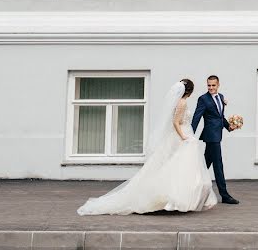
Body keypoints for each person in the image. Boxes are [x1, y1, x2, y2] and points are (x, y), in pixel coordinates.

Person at [77, 79, 217, 215]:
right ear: (190, 92)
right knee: (178, 168)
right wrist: (184, 137)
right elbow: (176, 122)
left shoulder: (179, 102)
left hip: (183, 135)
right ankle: (176, 200)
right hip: (182, 136)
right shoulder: (182, 103)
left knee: (181, 168)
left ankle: (182, 199)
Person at [191, 75, 238, 204]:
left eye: (213, 85)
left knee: (204, 165)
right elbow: (196, 117)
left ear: (218, 85)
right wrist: (190, 134)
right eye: (209, 85)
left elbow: (220, 116)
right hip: (211, 137)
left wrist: (229, 126)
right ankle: (224, 195)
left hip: (218, 135)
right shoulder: (203, 99)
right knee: (218, 165)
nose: (211, 88)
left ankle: (191, 188)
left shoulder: (221, 97)